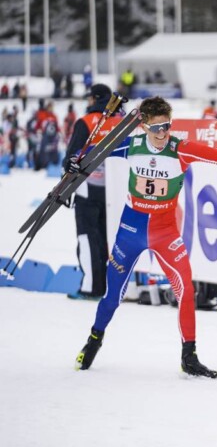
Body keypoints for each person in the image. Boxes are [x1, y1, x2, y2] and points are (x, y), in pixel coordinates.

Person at [72, 96, 217, 377]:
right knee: (113, 295)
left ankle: (189, 356)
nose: (163, 133)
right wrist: (75, 159)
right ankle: (94, 340)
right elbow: (93, 152)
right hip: (131, 231)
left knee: (186, 290)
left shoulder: (181, 150)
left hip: (165, 232)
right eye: (157, 128)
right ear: (143, 127)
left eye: (167, 126)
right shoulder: (131, 145)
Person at [63, 84, 122, 300]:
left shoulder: (86, 122)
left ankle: (90, 287)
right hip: (113, 190)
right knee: (107, 238)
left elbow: (71, 157)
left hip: (87, 189)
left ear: (94, 99)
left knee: (88, 237)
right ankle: (109, 286)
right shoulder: (120, 122)